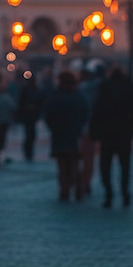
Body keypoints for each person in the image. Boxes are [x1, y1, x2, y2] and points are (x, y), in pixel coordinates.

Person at [90, 66, 133, 208]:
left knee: (105, 166)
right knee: (124, 165)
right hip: (124, 133)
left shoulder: (104, 88)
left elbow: (97, 110)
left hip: (107, 133)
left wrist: (95, 133)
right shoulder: (130, 88)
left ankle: (109, 194)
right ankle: (125, 193)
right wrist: (132, 128)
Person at [44, 71, 87, 202]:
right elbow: (85, 113)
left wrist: (54, 128)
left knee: (62, 165)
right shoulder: (78, 96)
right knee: (74, 163)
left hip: (59, 134)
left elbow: (48, 114)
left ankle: (64, 190)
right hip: (74, 133)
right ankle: (78, 188)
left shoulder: (55, 96)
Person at [78, 67, 102, 195]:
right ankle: (85, 182)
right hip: (90, 128)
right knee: (88, 158)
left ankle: (76, 183)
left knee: (75, 157)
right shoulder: (96, 89)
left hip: (77, 129)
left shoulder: (78, 91)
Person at [18, 74, 42, 161]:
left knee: (30, 134)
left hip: (31, 115)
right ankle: (28, 152)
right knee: (29, 134)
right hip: (29, 115)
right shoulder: (31, 91)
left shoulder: (29, 90)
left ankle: (29, 152)